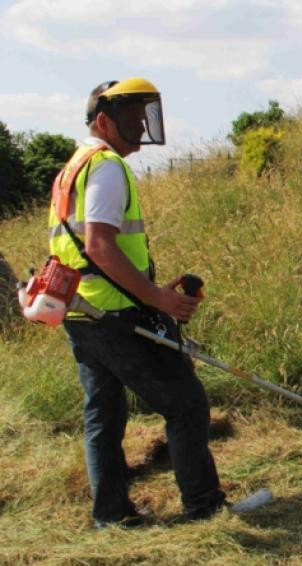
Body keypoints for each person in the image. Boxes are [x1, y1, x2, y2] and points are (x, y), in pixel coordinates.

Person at [49, 78, 226, 527]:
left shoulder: (75, 165)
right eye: (133, 120)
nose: (142, 128)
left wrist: (145, 290)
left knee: (103, 415)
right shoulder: (107, 166)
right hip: (112, 315)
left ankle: (111, 515)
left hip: (81, 310)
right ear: (104, 121)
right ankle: (204, 507)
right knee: (185, 403)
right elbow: (100, 246)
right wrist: (158, 299)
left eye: (146, 117)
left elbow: (87, 252)